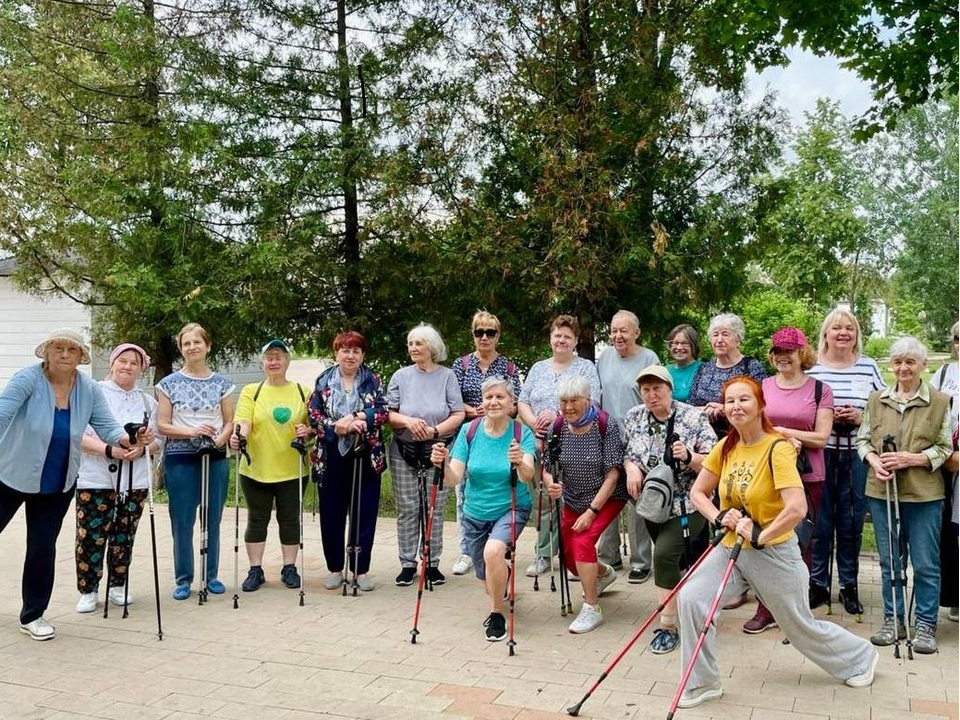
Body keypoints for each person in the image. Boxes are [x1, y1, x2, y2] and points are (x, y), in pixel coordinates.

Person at [677, 377, 877, 709]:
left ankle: (860, 656)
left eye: (744, 399)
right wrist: (719, 516)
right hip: (731, 548)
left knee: (798, 626)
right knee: (692, 599)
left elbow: (796, 508)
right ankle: (702, 683)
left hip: (774, 553)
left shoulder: (777, 447)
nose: (736, 406)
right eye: (730, 401)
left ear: (760, 406)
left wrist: (759, 535)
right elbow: (698, 493)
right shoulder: (725, 446)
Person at [1, 329, 151, 640]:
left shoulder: (87, 388)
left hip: (58, 481)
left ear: (81, 357)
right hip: (12, 474)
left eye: (72, 349)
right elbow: (2, 413)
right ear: (46, 352)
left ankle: (33, 615)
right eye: (58, 348)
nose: (65, 354)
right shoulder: (28, 379)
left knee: (42, 548)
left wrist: (130, 436)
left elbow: (107, 427)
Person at [856, 336, 952, 654]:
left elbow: (945, 448)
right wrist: (873, 460)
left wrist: (912, 459)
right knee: (889, 562)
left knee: (925, 563)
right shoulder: (876, 399)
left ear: (923, 365)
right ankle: (893, 619)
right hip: (881, 491)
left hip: (925, 494)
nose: (903, 368)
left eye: (910, 362)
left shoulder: (940, 401)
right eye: (898, 362)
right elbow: (864, 440)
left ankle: (925, 624)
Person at [430, 377, 537, 641]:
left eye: (500, 397)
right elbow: (454, 477)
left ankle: (497, 615)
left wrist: (519, 463)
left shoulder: (521, 434)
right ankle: (503, 578)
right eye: (489, 397)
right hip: (475, 512)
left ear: (511, 403)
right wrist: (441, 465)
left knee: (494, 552)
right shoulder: (470, 431)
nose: (494, 402)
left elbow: (528, 475)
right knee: (488, 582)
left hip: (511, 506)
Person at [742, 327, 834, 633]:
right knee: (766, 536)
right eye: (778, 351)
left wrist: (787, 434)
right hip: (767, 474)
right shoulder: (764, 387)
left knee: (800, 542)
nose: (783, 357)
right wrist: (777, 437)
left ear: (802, 354)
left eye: (789, 351)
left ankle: (796, 611)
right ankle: (766, 608)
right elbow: (753, 426)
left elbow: (821, 438)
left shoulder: (820, 390)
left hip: (808, 476)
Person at [623, 365, 717, 653]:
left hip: (689, 503)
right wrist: (631, 471)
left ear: (669, 389)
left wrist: (689, 457)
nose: (651, 396)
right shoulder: (634, 416)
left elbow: (715, 460)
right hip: (652, 503)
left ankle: (668, 625)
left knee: (663, 556)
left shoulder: (693, 416)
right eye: (646, 390)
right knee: (675, 562)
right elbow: (628, 453)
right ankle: (691, 606)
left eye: (657, 389)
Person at [807, 308, 886, 613]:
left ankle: (849, 585)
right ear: (825, 333)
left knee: (851, 520)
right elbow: (802, 409)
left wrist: (860, 417)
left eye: (849, 328)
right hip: (820, 452)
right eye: (836, 328)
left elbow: (884, 409)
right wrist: (826, 419)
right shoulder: (812, 368)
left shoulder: (868, 367)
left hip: (857, 454)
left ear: (857, 335)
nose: (843, 333)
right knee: (820, 521)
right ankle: (818, 584)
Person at [75, 343, 163, 614]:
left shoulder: (148, 402)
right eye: (122, 360)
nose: (127, 366)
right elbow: (78, 435)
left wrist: (143, 448)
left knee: (124, 535)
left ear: (141, 369)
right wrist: (109, 451)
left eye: (134, 363)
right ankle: (88, 589)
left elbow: (158, 440)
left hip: (134, 480)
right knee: (91, 536)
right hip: (95, 477)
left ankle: (117, 585)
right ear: (112, 363)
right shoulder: (92, 394)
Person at [156, 323, 234, 601]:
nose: (192, 347)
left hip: (214, 457)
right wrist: (192, 432)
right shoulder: (168, 384)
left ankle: (211, 575)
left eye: (197, 342)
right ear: (181, 349)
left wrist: (218, 440)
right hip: (180, 458)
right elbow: (163, 425)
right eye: (186, 343)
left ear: (207, 346)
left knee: (212, 517)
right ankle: (184, 578)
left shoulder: (222, 384)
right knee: (183, 520)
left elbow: (228, 421)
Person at [542, 376, 627, 634]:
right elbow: (547, 466)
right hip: (573, 498)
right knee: (568, 556)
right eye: (564, 401)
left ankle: (592, 608)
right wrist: (550, 483)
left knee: (582, 542)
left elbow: (613, 474)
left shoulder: (605, 424)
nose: (568, 407)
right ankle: (603, 573)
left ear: (587, 400)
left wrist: (592, 512)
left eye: (574, 401)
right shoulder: (557, 426)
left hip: (606, 498)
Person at [518, 315, 600, 578]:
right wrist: (535, 425)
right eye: (557, 335)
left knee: (571, 498)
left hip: (573, 440)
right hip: (538, 440)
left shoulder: (585, 367)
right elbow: (522, 401)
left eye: (567, 336)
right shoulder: (538, 368)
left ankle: (575, 556)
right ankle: (543, 553)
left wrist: (558, 418)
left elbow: (593, 402)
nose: (561, 340)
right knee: (542, 497)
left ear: (575, 341)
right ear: (551, 338)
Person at [308, 331, 388, 592]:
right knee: (331, 514)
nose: (350, 355)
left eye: (356, 351)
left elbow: (383, 411)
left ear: (362, 355)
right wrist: (336, 427)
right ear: (336, 353)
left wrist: (357, 417)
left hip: (366, 454)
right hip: (331, 456)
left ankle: (360, 569)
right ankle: (334, 568)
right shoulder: (323, 381)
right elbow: (313, 415)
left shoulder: (372, 380)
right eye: (345, 350)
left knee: (364, 514)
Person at [230, 339, 312, 593]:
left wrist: (307, 431)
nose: (273, 361)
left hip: (292, 468)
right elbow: (244, 421)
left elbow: (314, 428)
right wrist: (239, 434)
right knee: (257, 519)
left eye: (278, 356)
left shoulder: (303, 391)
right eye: (269, 357)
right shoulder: (251, 391)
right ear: (262, 362)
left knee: (290, 519)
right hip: (256, 468)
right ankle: (255, 569)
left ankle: (289, 568)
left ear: (287, 361)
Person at [387, 323, 465, 587]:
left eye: (418, 343)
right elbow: (389, 413)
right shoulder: (400, 376)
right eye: (410, 344)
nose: (413, 348)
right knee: (408, 508)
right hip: (403, 449)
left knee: (434, 507)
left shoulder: (447, 376)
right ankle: (407, 564)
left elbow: (458, 413)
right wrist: (408, 422)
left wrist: (433, 431)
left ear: (432, 347)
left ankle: (431, 563)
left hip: (438, 448)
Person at [451, 311, 522, 577]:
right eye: (479, 332)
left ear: (498, 336)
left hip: (501, 436)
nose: (484, 337)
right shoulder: (462, 365)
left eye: (489, 332)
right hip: (470, 434)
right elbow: (453, 401)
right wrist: (476, 411)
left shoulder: (508, 367)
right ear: (473, 334)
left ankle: (499, 546)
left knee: (501, 490)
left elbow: (515, 404)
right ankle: (467, 549)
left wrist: (496, 410)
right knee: (465, 494)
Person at [596, 310, 658, 583]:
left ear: (636, 332)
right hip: (608, 438)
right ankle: (608, 556)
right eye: (613, 330)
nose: (617, 336)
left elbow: (654, 400)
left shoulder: (649, 359)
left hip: (639, 439)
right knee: (608, 496)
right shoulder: (605, 357)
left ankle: (641, 561)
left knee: (636, 500)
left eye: (623, 330)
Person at [687, 313, 766, 436]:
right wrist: (707, 410)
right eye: (715, 335)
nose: (719, 340)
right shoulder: (703, 368)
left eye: (725, 334)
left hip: (739, 434)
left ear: (738, 340)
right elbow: (690, 405)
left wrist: (724, 409)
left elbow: (760, 405)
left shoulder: (750, 367)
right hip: (703, 436)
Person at [931, 321, 959, 622]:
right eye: (957, 338)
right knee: (950, 533)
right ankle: (953, 595)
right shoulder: (943, 374)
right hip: (945, 461)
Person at [666, 324, 703, 403]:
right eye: (675, 343)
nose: (679, 347)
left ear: (693, 346)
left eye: (684, 343)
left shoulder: (703, 370)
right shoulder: (665, 371)